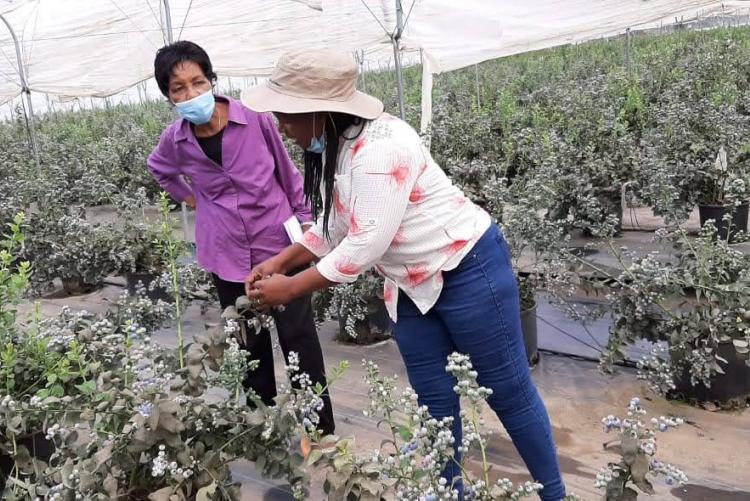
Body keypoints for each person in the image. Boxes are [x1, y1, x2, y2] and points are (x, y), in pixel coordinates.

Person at [240, 49, 566, 500]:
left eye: (287, 116)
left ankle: (554, 493)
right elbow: (336, 225)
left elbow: (364, 244)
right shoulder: (340, 147)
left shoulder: (380, 148)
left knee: (506, 390)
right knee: (434, 400)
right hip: (410, 286)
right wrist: (284, 260)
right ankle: (450, 491)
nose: (281, 126)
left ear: (320, 111)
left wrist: (293, 287)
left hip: (467, 270)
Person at [146, 41, 335, 447]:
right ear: (168, 96)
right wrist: (193, 199)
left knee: (298, 337)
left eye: (198, 81)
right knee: (249, 344)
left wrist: (305, 222)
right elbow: (159, 170)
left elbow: (288, 173)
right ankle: (262, 427)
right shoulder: (175, 141)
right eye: (178, 88)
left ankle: (319, 432)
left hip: (277, 244)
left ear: (212, 81)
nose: (191, 93)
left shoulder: (255, 120)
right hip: (226, 252)